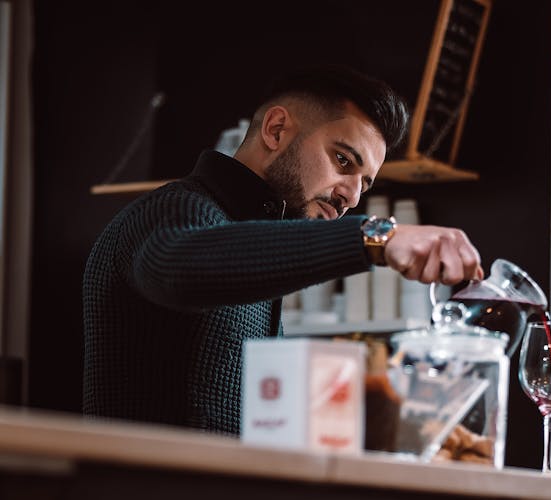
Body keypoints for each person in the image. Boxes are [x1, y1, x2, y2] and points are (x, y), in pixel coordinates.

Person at [83, 65, 484, 435]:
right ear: (276, 130)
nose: (351, 197)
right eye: (343, 160)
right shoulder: (173, 210)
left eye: (365, 184)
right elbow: (176, 266)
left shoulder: (252, 241)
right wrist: (376, 237)